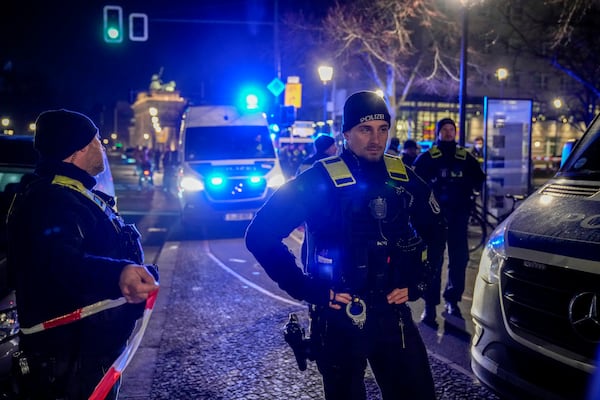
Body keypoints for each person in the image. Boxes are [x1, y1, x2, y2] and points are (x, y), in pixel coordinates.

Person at [246, 91, 446, 400]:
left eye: (383, 129)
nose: (376, 138)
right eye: (366, 129)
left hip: (392, 315)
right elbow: (259, 234)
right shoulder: (318, 181)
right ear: (347, 133)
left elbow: (437, 229)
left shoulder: (402, 177)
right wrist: (306, 288)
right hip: (337, 316)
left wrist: (421, 282)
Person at [6, 109, 160, 399]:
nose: (102, 147)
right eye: (97, 141)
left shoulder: (70, 194)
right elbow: (58, 263)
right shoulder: (51, 201)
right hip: (69, 361)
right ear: (77, 150)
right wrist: (119, 273)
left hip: (86, 353)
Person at [413, 117, 485, 328]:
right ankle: (430, 306)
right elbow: (416, 183)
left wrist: (472, 189)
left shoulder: (464, 156)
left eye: (451, 129)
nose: (448, 132)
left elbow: (479, 178)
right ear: (438, 133)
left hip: (458, 215)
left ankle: (452, 301)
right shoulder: (428, 158)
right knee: (434, 261)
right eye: (444, 129)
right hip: (434, 218)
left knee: (459, 260)